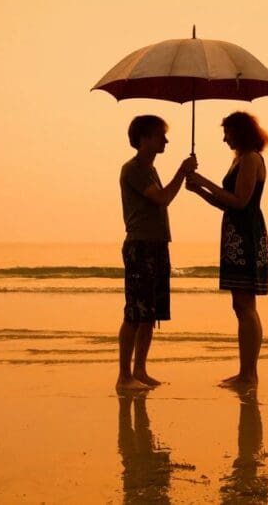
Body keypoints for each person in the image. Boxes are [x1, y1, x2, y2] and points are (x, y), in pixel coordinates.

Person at [186, 111, 268, 388]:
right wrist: (199, 191)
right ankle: (246, 372)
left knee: (245, 306)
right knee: (241, 305)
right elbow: (226, 204)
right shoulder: (240, 160)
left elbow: (239, 201)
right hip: (236, 234)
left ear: (240, 132)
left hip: (245, 236)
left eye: (227, 133)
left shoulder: (251, 159)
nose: (224, 139)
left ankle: (249, 374)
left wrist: (204, 181)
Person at [117, 115, 197, 392]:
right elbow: (162, 198)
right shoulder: (134, 169)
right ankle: (124, 375)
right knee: (134, 313)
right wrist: (182, 172)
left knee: (150, 313)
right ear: (144, 138)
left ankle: (140, 369)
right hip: (140, 245)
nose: (165, 140)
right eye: (160, 135)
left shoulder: (150, 169)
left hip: (157, 244)